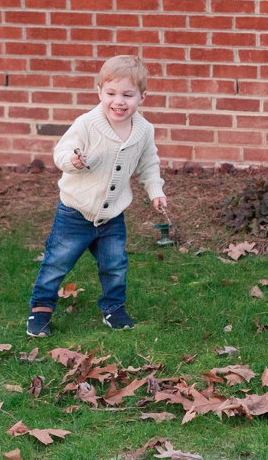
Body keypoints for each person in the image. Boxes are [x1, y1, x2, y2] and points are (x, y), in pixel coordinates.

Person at [26, 55, 167, 337]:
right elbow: (62, 152)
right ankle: (41, 307)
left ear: (143, 96)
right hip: (75, 212)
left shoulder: (143, 131)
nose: (119, 101)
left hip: (112, 215)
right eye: (111, 93)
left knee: (115, 264)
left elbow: (149, 164)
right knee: (57, 261)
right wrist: (73, 162)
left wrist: (155, 191)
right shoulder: (87, 123)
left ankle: (114, 308)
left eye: (128, 95)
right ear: (99, 92)